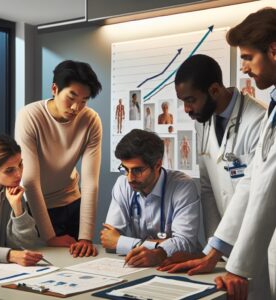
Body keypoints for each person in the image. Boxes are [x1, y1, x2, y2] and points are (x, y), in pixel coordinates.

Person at [160, 8, 276, 300]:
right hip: (240, 243)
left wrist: (234, 264)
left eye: (248, 57)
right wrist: (216, 251)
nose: (244, 68)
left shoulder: (258, 116)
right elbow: (252, 181)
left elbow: (265, 190)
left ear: (274, 51)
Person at [15, 60, 102, 257]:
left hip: (71, 202)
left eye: (84, 100)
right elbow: (29, 180)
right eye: (71, 97)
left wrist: (86, 237)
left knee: (77, 264)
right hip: (37, 206)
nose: (76, 107)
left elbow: (90, 182)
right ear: (55, 89)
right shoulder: (30, 116)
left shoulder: (91, 120)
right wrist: (49, 236)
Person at [100, 129, 200, 267]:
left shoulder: (183, 186)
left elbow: (185, 243)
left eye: (137, 170)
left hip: (177, 266)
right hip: (138, 266)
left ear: (157, 165)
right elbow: (109, 240)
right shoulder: (122, 184)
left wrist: (124, 242)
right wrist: (164, 245)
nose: (129, 178)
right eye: (125, 169)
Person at [0, 135, 43, 265]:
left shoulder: (13, 193)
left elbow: (25, 245)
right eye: (9, 170)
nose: (19, 174)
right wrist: (9, 255)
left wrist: (18, 209)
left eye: (20, 164)